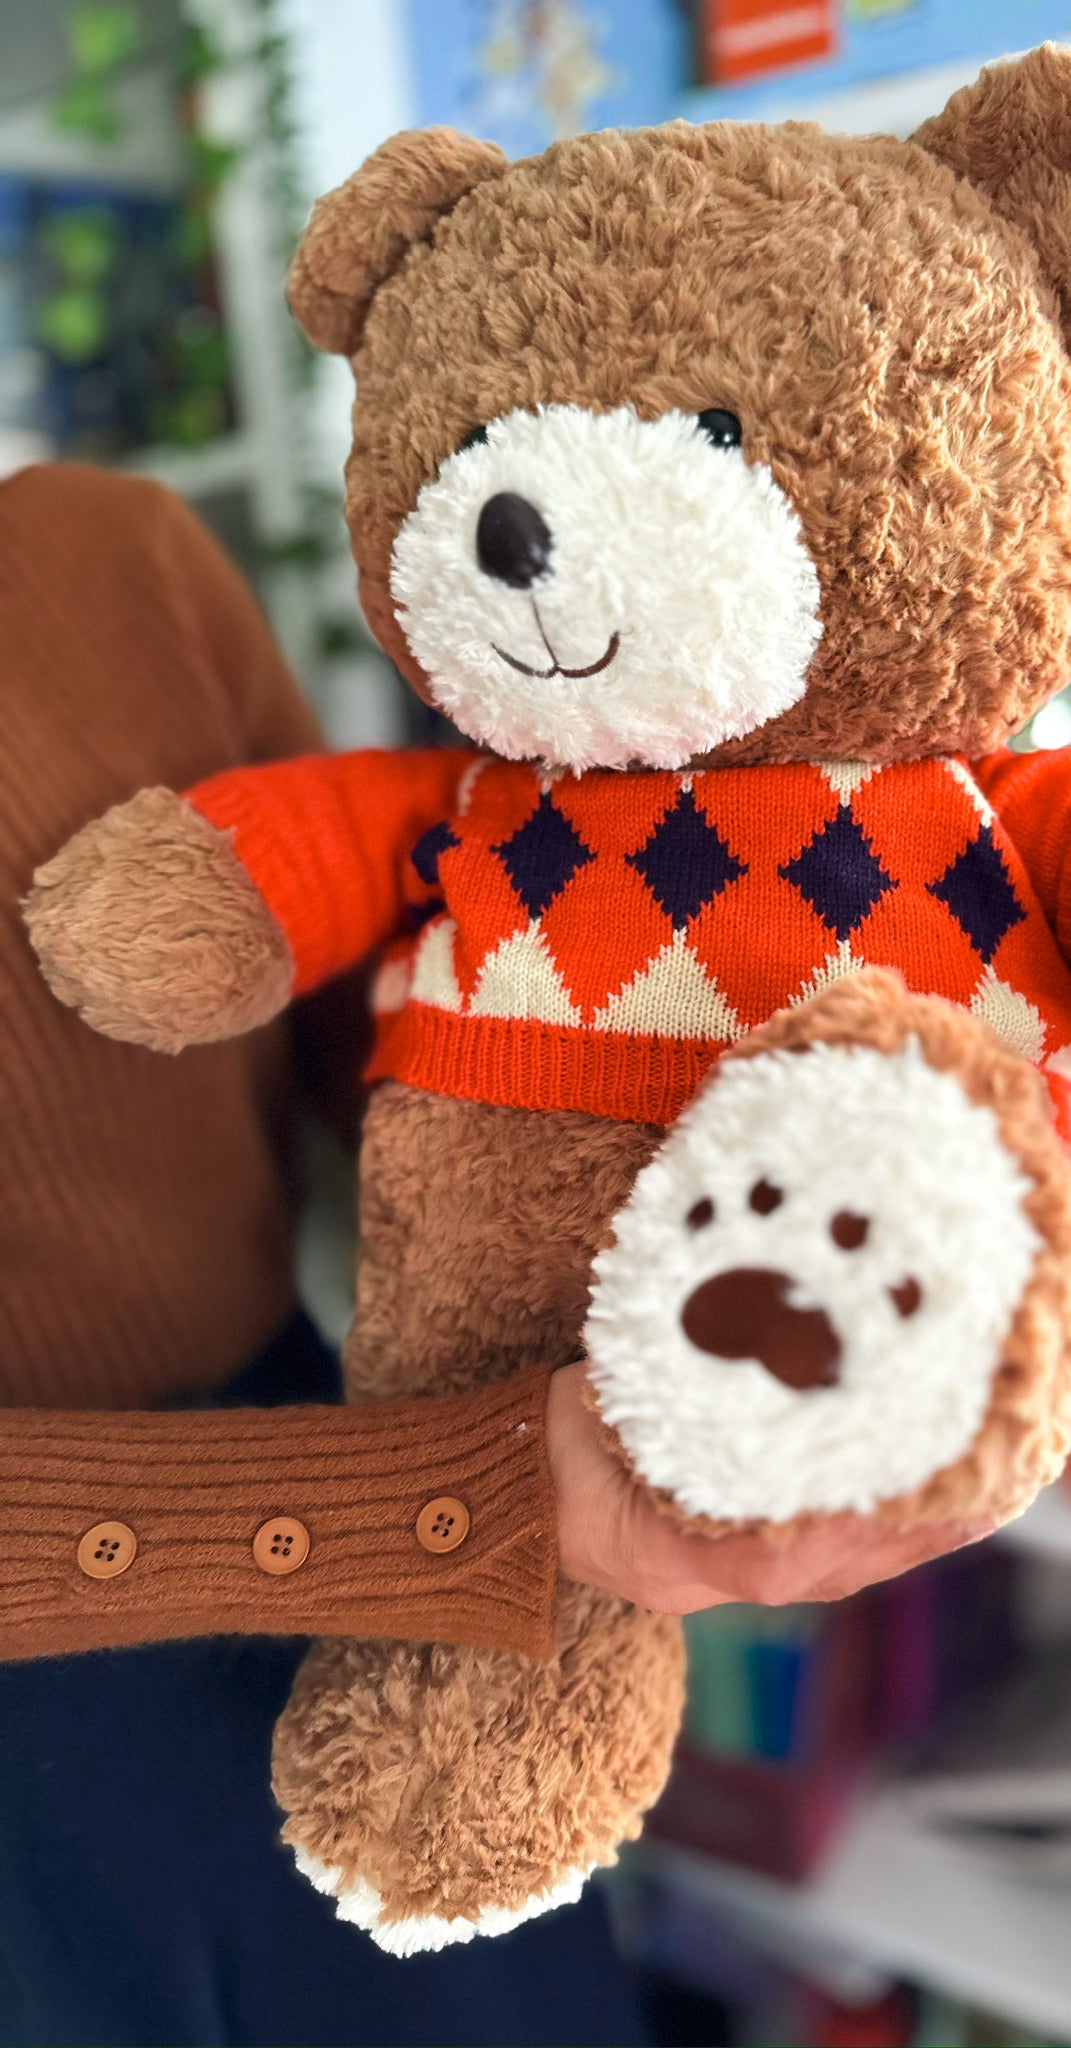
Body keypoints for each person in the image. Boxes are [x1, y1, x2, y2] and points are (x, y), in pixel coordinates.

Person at [0, 463, 982, 2048]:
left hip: (356, 1467)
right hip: (112, 1711)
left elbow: (383, 1043)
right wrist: (482, 1500)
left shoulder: (103, 557)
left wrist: (732, 1126)